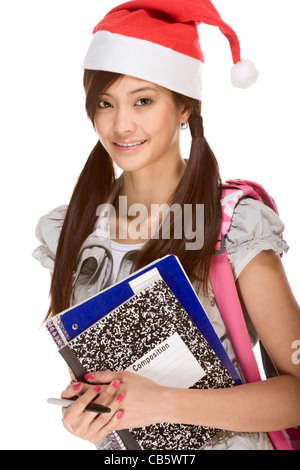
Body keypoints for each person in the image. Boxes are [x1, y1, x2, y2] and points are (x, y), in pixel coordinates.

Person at [33, 0, 300, 450]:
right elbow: (105, 385)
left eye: (143, 100)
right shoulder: (72, 230)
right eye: (104, 103)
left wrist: (164, 403)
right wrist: (86, 416)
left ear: (184, 109)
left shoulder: (232, 225)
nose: (120, 124)